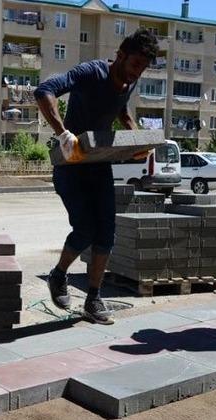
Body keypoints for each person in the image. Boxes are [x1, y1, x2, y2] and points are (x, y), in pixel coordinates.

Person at [33, 29, 159, 324]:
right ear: (120, 55)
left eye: (143, 68)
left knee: (106, 234)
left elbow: (121, 109)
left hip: (99, 164)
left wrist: (137, 140)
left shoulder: (129, 81)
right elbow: (44, 91)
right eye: (134, 64)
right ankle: (58, 274)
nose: (137, 73)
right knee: (85, 230)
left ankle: (93, 299)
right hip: (70, 165)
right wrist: (63, 133)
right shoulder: (91, 73)